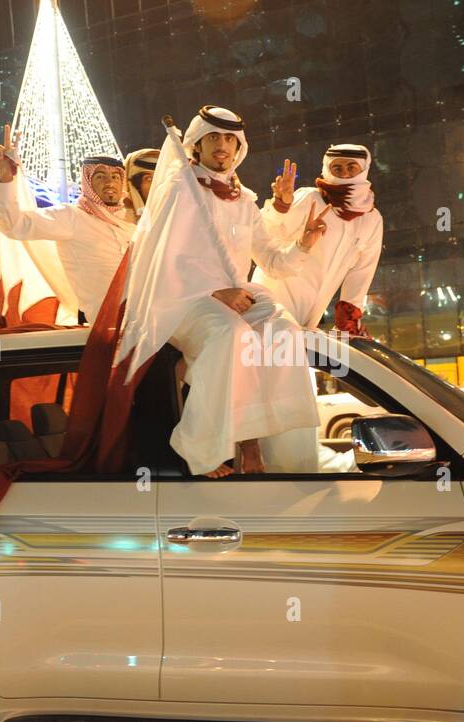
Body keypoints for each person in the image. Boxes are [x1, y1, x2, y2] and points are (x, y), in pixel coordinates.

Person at [117, 105, 327, 478]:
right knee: (230, 335)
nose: (223, 145)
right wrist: (216, 292)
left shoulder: (244, 197)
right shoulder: (179, 188)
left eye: (230, 138)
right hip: (182, 297)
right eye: (214, 137)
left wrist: (305, 244)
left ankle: (263, 442)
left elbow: (273, 261)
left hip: (235, 292)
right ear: (196, 143)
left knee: (284, 331)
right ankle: (199, 445)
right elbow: (163, 258)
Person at [0, 124, 136, 322]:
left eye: (115, 177)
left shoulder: (135, 219)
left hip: (148, 319)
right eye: (100, 177)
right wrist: (6, 179)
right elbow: (15, 225)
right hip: (107, 324)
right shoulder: (71, 217)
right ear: (87, 183)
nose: (110, 183)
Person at [256, 144, 383, 335]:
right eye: (337, 168)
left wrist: (348, 319)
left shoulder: (372, 218)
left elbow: (362, 270)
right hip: (273, 301)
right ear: (327, 170)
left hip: (312, 314)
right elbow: (268, 231)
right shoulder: (310, 198)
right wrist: (281, 205)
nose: (345, 174)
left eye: (351, 167)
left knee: (296, 361)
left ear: (363, 169)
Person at [123, 148, 159, 222]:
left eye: (161, 177)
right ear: (136, 185)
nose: (157, 184)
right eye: (149, 179)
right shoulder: (123, 217)